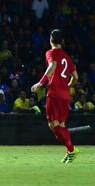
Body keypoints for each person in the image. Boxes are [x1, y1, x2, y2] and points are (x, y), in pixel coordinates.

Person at [31, 29, 79, 163]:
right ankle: (69, 152)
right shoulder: (68, 57)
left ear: (51, 40)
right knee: (61, 125)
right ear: (62, 41)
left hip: (54, 93)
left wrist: (40, 83)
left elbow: (52, 66)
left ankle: (71, 149)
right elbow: (75, 77)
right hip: (65, 95)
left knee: (53, 125)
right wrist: (68, 86)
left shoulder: (50, 53)